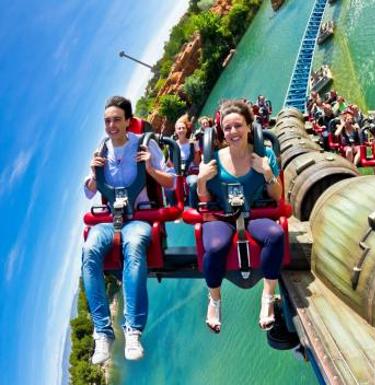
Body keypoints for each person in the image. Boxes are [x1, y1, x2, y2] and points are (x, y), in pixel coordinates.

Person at [83, 96, 174, 363]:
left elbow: (170, 182)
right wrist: (92, 174)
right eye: (107, 121)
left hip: (139, 217)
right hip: (111, 220)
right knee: (89, 252)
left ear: (128, 122)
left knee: (133, 246)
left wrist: (150, 169)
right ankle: (103, 331)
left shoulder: (144, 145)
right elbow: (89, 193)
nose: (111, 125)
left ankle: (132, 329)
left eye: (116, 120)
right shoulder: (100, 152)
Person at [196, 100, 284, 334]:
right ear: (222, 132)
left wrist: (267, 173)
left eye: (238, 126)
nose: (233, 132)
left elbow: (277, 195)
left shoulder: (263, 155)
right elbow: (202, 200)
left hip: (253, 213)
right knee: (214, 247)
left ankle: (268, 297)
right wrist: (202, 179)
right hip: (224, 216)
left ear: (248, 127)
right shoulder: (213, 159)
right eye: (227, 128)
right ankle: (214, 300)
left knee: (275, 235)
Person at [166, 115, 201, 207]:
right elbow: (170, 163)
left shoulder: (193, 143)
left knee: (193, 182)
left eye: (183, 128)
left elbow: (197, 163)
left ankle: (192, 207)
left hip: (189, 172)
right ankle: (174, 209)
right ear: (176, 131)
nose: (181, 130)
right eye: (179, 128)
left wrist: (194, 149)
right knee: (167, 186)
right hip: (177, 173)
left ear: (186, 130)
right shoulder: (172, 145)